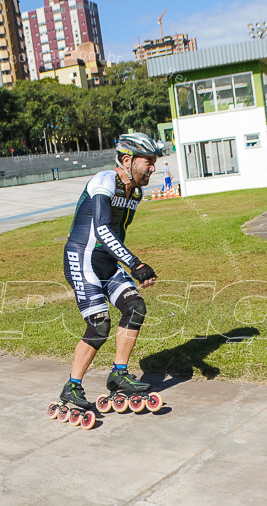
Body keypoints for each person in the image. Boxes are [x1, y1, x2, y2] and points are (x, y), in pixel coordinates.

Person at [58, 132, 163, 411]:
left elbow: (120, 231)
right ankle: (72, 387)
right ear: (127, 160)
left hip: (107, 262)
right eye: (148, 162)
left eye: (154, 162)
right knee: (99, 324)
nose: (153, 168)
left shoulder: (135, 192)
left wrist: (125, 262)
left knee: (135, 307)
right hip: (82, 259)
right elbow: (102, 228)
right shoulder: (104, 181)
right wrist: (135, 263)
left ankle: (118, 374)